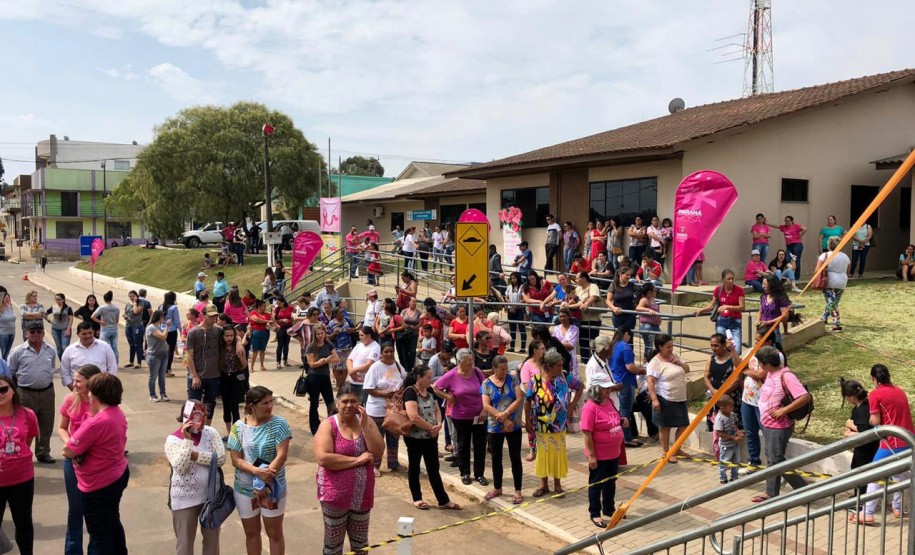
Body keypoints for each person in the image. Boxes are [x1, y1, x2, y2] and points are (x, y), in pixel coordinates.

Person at [62, 373, 130, 554]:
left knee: (99, 535)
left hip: (98, 483)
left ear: (97, 395)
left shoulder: (95, 423)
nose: (87, 394)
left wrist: (76, 454)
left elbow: (67, 451)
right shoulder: (117, 413)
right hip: (117, 474)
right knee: (112, 522)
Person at [314, 385, 384, 555]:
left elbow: (378, 452)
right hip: (335, 496)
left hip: (362, 495)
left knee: (361, 545)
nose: (349, 405)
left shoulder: (366, 421)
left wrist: (365, 425)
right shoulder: (328, 425)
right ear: (337, 403)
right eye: (345, 401)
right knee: (333, 546)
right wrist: (358, 460)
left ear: (360, 403)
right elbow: (324, 458)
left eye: (353, 401)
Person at [228, 386, 292, 555]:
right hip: (245, 489)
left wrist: (265, 480)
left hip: (272, 488)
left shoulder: (279, 424)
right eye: (264, 403)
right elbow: (236, 459)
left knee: (275, 534)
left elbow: (282, 456)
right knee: (251, 533)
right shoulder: (238, 427)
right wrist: (257, 472)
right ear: (251, 406)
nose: (269, 406)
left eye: (271, 402)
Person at [853, 364, 915, 524]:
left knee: (875, 475)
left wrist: (868, 421)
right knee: (899, 475)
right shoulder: (899, 391)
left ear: (873, 378)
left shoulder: (876, 394)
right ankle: (898, 509)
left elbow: (875, 420)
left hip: (891, 442)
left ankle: (867, 513)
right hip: (908, 439)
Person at [166, 401, 226, 555]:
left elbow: (220, 459)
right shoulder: (173, 440)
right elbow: (180, 466)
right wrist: (187, 440)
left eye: (204, 415)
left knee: (212, 544)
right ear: (185, 416)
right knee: (184, 545)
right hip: (185, 499)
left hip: (211, 497)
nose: (203, 419)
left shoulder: (210, 432)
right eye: (198, 415)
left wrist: (195, 455)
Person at [750, 346, 810, 502]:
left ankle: (804, 490)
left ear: (768, 363)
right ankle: (771, 493)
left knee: (776, 459)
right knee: (771, 458)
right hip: (768, 424)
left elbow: (804, 397)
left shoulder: (786, 376)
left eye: (761, 363)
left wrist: (783, 411)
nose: (760, 367)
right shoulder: (770, 374)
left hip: (779, 426)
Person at [524, 350, 582, 497]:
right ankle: (543, 485)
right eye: (558, 365)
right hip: (542, 425)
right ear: (549, 366)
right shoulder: (536, 380)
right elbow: (528, 401)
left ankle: (557, 485)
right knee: (543, 454)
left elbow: (580, 386)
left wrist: (572, 404)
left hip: (560, 424)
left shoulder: (564, 376)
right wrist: (527, 422)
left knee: (557, 454)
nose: (561, 367)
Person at [402, 365, 461, 510]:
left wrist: (439, 425)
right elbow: (413, 416)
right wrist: (431, 428)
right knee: (414, 467)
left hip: (431, 437)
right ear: (419, 378)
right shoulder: (410, 392)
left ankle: (443, 500)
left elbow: (436, 409)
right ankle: (417, 498)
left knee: (434, 469)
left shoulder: (429, 390)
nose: (431, 380)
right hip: (415, 438)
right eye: (428, 378)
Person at [57, 364, 101, 555]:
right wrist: (72, 446)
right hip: (72, 461)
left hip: (94, 462)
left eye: (78, 381)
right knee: (75, 509)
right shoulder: (69, 400)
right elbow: (62, 427)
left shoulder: (100, 404)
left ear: (91, 382)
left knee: (93, 510)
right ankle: (72, 551)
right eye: (74, 380)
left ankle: (95, 549)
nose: (73, 384)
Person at [434, 348, 488, 486]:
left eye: (472, 360)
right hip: (461, 416)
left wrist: (484, 410)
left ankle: (479, 474)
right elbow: (435, 387)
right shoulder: (452, 375)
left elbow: (486, 391)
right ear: (460, 361)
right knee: (463, 445)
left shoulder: (477, 372)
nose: (471, 363)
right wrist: (448, 397)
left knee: (480, 445)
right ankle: (465, 473)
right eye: (468, 360)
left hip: (479, 416)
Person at [8, 320, 59, 464]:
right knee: (25, 426)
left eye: (39, 331)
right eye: (32, 332)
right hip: (25, 393)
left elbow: (51, 368)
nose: (36, 334)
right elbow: (10, 373)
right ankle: (22, 453)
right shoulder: (17, 352)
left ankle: (43, 453)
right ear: (26, 333)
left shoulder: (50, 350)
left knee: (46, 423)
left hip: (47, 392)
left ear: (43, 333)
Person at [0, 374, 39, 554]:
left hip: (22, 479)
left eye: (3, 389)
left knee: (23, 522)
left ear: (13, 390)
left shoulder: (27, 414)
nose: (0, 394)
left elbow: (29, 438)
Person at [581, 373, 625, 527]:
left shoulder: (610, 401)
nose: (608, 391)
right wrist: (592, 456)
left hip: (613, 453)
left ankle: (608, 508)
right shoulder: (590, 408)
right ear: (596, 389)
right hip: (599, 455)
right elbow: (587, 433)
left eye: (608, 388)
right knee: (596, 484)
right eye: (605, 389)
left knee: (611, 482)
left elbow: (611, 420)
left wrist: (621, 421)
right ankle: (595, 513)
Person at [481, 355, 524, 504]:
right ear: (494, 368)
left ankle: (518, 490)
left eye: (506, 368)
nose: (505, 372)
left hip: (513, 424)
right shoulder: (486, 383)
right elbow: (486, 405)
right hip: (495, 426)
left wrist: (506, 414)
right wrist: (502, 419)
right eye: (502, 369)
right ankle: (497, 487)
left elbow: (518, 399)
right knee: (496, 458)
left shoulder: (512, 379)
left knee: (515, 458)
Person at [738, 325, 779, 475]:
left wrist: (746, 371)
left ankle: (773, 467)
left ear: (768, 342)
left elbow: (761, 375)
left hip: (764, 403)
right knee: (750, 432)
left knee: (768, 434)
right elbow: (739, 365)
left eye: (758, 340)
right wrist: (732, 351)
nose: (755, 343)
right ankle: (753, 462)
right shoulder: (751, 352)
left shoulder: (775, 355)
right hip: (747, 400)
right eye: (755, 340)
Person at [362, 343, 407, 476]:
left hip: (393, 409)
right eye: (386, 351)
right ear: (381, 353)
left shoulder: (397, 365)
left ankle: (393, 463)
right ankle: (374, 465)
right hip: (377, 409)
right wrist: (384, 394)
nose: (389, 354)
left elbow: (405, 378)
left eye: (391, 351)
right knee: (377, 439)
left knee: (393, 437)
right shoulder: (375, 367)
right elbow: (368, 388)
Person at [646, 334, 691, 463]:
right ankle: (666, 453)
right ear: (660, 347)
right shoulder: (655, 362)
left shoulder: (674, 355)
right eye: (668, 347)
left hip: (680, 397)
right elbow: (651, 382)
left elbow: (687, 369)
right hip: (665, 398)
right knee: (666, 427)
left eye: (672, 346)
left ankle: (677, 448)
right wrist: (654, 399)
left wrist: (679, 362)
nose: (671, 349)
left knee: (683, 425)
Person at [840, 378, 879, 506]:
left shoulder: (861, 410)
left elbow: (865, 430)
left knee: (860, 473)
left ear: (851, 397)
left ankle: (860, 501)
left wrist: (851, 426)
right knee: (857, 470)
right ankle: (858, 497)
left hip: (866, 449)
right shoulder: (864, 405)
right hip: (863, 448)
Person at [186, 305, 224, 426]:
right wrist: (194, 375)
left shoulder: (219, 330)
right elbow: (189, 356)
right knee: (193, 405)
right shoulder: (193, 332)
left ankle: (207, 429)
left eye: (215, 316)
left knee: (210, 405)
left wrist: (238, 343)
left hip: (213, 375)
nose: (214, 318)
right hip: (197, 375)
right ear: (203, 315)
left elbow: (234, 337)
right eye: (211, 316)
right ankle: (190, 432)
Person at [608, 325, 644, 448]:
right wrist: (643, 370)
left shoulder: (613, 346)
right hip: (625, 382)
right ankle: (627, 438)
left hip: (615, 381)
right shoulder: (625, 347)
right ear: (626, 334)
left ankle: (624, 435)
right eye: (630, 335)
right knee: (626, 412)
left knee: (619, 410)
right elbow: (630, 367)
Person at [695, 269, 745, 355]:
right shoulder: (718, 289)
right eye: (728, 279)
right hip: (722, 321)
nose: (731, 281)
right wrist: (701, 310)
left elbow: (742, 307)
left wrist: (728, 307)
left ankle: (734, 364)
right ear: (723, 279)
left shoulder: (739, 290)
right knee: (720, 347)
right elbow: (712, 306)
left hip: (735, 322)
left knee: (737, 351)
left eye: (732, 278)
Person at [305, 324, 339, 435]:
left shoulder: (328, 344)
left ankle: (333, 425)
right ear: (314, 335)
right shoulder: (311, 346)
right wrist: (324, 361)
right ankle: (315, 428)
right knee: (314, 403)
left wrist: (329, 360)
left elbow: (337, 359)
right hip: (314, 377)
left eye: (322, 333)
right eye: (318, 334)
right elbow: (312, 364)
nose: (320, 336)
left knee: (330, 402)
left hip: (325, 376)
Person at [816, 236, 851, 332]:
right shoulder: (845, 256)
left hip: (829, 282)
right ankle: (824, 317)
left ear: (828, 245)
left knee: (831, 303)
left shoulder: (824, 255)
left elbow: (817, 270)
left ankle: (837, 324)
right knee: (833, 302)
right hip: (842, 282)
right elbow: (848, 271)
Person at [220, 325, 248, 438]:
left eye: (231, 335)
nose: (229, 338)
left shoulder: (239, 347)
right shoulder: (220, 348)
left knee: (234, 406)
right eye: (227, 336)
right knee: (226, 406)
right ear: (223, 336)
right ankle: (229, 432)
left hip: (236, 378)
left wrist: (240, 356)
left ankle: (236, 433)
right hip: (223, 378)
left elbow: (245, 365)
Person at [714, 396, 744, 485]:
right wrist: (733, 438)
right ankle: (723, 479)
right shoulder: (719, 419)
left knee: (736, 462)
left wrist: (738, 432)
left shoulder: (732, 415)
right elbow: (720, 434)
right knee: (724, 463)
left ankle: (734, 478)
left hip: (735, 444)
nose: (733, 408)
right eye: (730, 406)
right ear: (723, 408)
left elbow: (735, 425)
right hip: (726, 446)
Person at [346, 327, 381, 400]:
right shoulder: (359, 345)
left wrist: (353, 371)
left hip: (365, 382)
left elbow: (369, 364)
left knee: (364, 404)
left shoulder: (375, 347)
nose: (360, 337)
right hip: (353, 380)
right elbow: (349, 359)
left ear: (369, 335)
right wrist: (351, 371)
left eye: (362, 335)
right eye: (359, 335)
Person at [757, 275, 792, 343]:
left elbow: (784, 316)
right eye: (762, 284)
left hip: (773, 332)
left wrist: (769, 322)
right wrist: (758, 320)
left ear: (772, 285)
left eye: (765, 284)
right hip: (761, 331)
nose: (763, 286)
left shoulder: (781, 298)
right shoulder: (763, 297)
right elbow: (760, 311)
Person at [328, 308, 356, 391]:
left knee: (345, 367)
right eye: (340, 313)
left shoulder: (348, 320)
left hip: (347, 347)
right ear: (335, 314)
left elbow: (355, 328)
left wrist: (352, 330)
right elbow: (328, 337)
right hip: (336, 348)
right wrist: (334, 334)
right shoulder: (331, 323)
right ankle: (337, 383)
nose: (343, 314)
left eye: (343, 312)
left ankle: (343, 383)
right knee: (336, 367)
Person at [145, 310, 170, 402]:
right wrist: (167, 327)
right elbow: (163, 336)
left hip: (163, 354)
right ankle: (152, 395)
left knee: (162, 376)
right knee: (153, 376)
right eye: (162, 317)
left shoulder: (158, 327)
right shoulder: (151, 327)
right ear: (160, 317)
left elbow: (162, 340)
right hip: (154, 355)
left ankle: (163, 394)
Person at [636, 283, 661, 361]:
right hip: (648, 326)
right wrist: (648, 310)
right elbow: (638, 308)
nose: (656, 292)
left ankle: (652, 359)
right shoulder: (644, 300)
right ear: (649, 292)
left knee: (658, 343)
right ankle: (647, 360)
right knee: (649, 345)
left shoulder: (653, 300)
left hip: (655, 326)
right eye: (654, 290)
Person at [607, 266, 638, 332]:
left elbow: (639, 296)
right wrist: (613, 308)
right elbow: (608, 300)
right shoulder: (613, 285)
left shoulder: (632, 285)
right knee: (618, 335)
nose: (629, 277)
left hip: (630, 314)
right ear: (621, 274)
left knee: (629, 334)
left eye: (630, 275)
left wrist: (636, 306)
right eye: (627, 275)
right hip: (617, 315)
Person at [160, 291, 182, 377]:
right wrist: (181, 330)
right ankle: (168, 368)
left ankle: (162, 367)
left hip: (162, 329)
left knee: (164, 349)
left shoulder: (161, 307)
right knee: (171, 350)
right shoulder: (174, 308)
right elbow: (177, 321)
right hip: (172, 330)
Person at [47, 292, 74, 360]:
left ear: (63, 300)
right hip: (55, 329)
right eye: (56, 299)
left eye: (59, 299)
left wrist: (68, 329)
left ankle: (67, 363)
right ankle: (62, 363)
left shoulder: (68, 308)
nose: (58, 301)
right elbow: (45, 314)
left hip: (65, 328)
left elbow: (71, 319)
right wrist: (49, 321)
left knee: (65, 347)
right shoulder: (53, 307)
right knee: (59, 348)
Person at [248, 300, 273, 373]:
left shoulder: (267, 314)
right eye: (264, 306)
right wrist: (267, 321)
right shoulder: (253, 313)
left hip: (265, 333)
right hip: (256, 333)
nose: (265, 308)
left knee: (262, 350)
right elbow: (256, 320)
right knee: (254, 350)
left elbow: (272, 322)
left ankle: (262, 365)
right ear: (259, 306)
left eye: (265, 306)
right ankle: (251, 367)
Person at [121, 291, 145, 369]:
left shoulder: (140, 304)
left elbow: (136, 311)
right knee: (131, 345)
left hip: (137, 326)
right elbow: (125, 312)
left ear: (136, 296)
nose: (131, 297)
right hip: (129, 326)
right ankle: (131, 361)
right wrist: (125, 316)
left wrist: (135, 302)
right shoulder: (128, 304)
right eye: (130, 296)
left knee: (137, 344)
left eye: (133, 296)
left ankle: (139, 362)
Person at [397, 296, 421, 370]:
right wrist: (406, 326)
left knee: (412, 351)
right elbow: (400, 320)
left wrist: (415, 327)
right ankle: (404, 367)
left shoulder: (418, 312)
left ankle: (410, 367)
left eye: (415, 302)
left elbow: (421, 323)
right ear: (409, 302)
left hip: (414, 334)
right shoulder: (404, 311)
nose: (414, 303)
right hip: (405, 334)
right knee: (405, 351)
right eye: (413, 302)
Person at [273, 297, 294, 369]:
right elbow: (274, 319)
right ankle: (278, 362)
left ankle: (285, 361)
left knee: (286, 345)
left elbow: (296, 312)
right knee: (280, 345)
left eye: (279, 303)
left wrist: (292, 318)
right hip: (281, 328)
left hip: (288, 328)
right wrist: (282, 320)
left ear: (283, 303)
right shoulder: (277, 309)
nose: (278, 305)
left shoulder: (289, 308)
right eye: (277, 303)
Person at [0, 290, 15, 360]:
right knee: (3, 351)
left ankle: (5, 366)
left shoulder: (10, 307)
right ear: (2, 299)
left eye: (9, 298)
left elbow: (13, 318)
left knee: (8, 352)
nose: (8, 300)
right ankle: (3, 367)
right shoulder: (0, 309)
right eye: (6, 298)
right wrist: (9, 318)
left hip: (11, 332)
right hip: (3, 333)